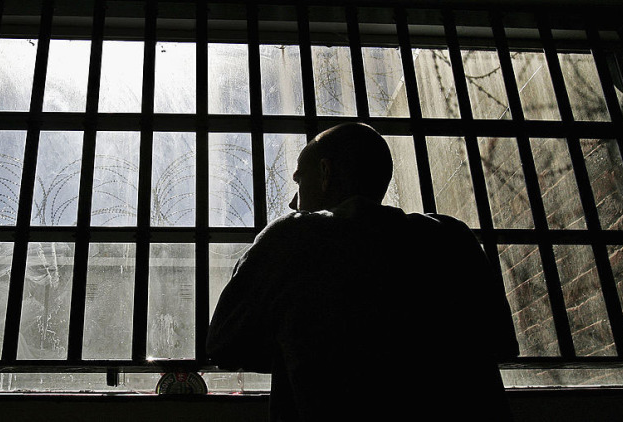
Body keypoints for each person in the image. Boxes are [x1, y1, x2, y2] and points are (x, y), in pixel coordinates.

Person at [206, 122, 519, 421]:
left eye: (300, 182)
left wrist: (297, 344)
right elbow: (502, 343)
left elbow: (224, 344)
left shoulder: (292, 239)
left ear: (325, 172)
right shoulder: (452, 239)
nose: (292, 201)